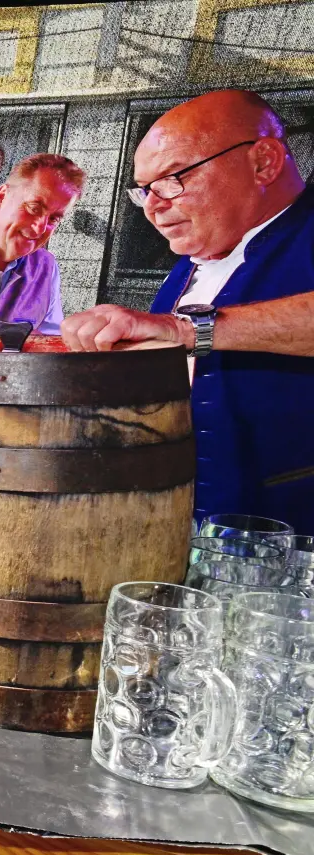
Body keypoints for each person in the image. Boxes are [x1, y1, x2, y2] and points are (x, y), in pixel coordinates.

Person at [61, 89, 314, 532]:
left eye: (174, 178)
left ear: (263, 162)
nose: (154, 207)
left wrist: (183, 330)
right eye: (145, 192)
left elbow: (185, 334)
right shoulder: (184, 271)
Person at [0, 153, 85, 335]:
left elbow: (48, 344)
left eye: (53, 219)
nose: (39, 229)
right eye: (34, 208)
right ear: (2, 196)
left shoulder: (47, 267)